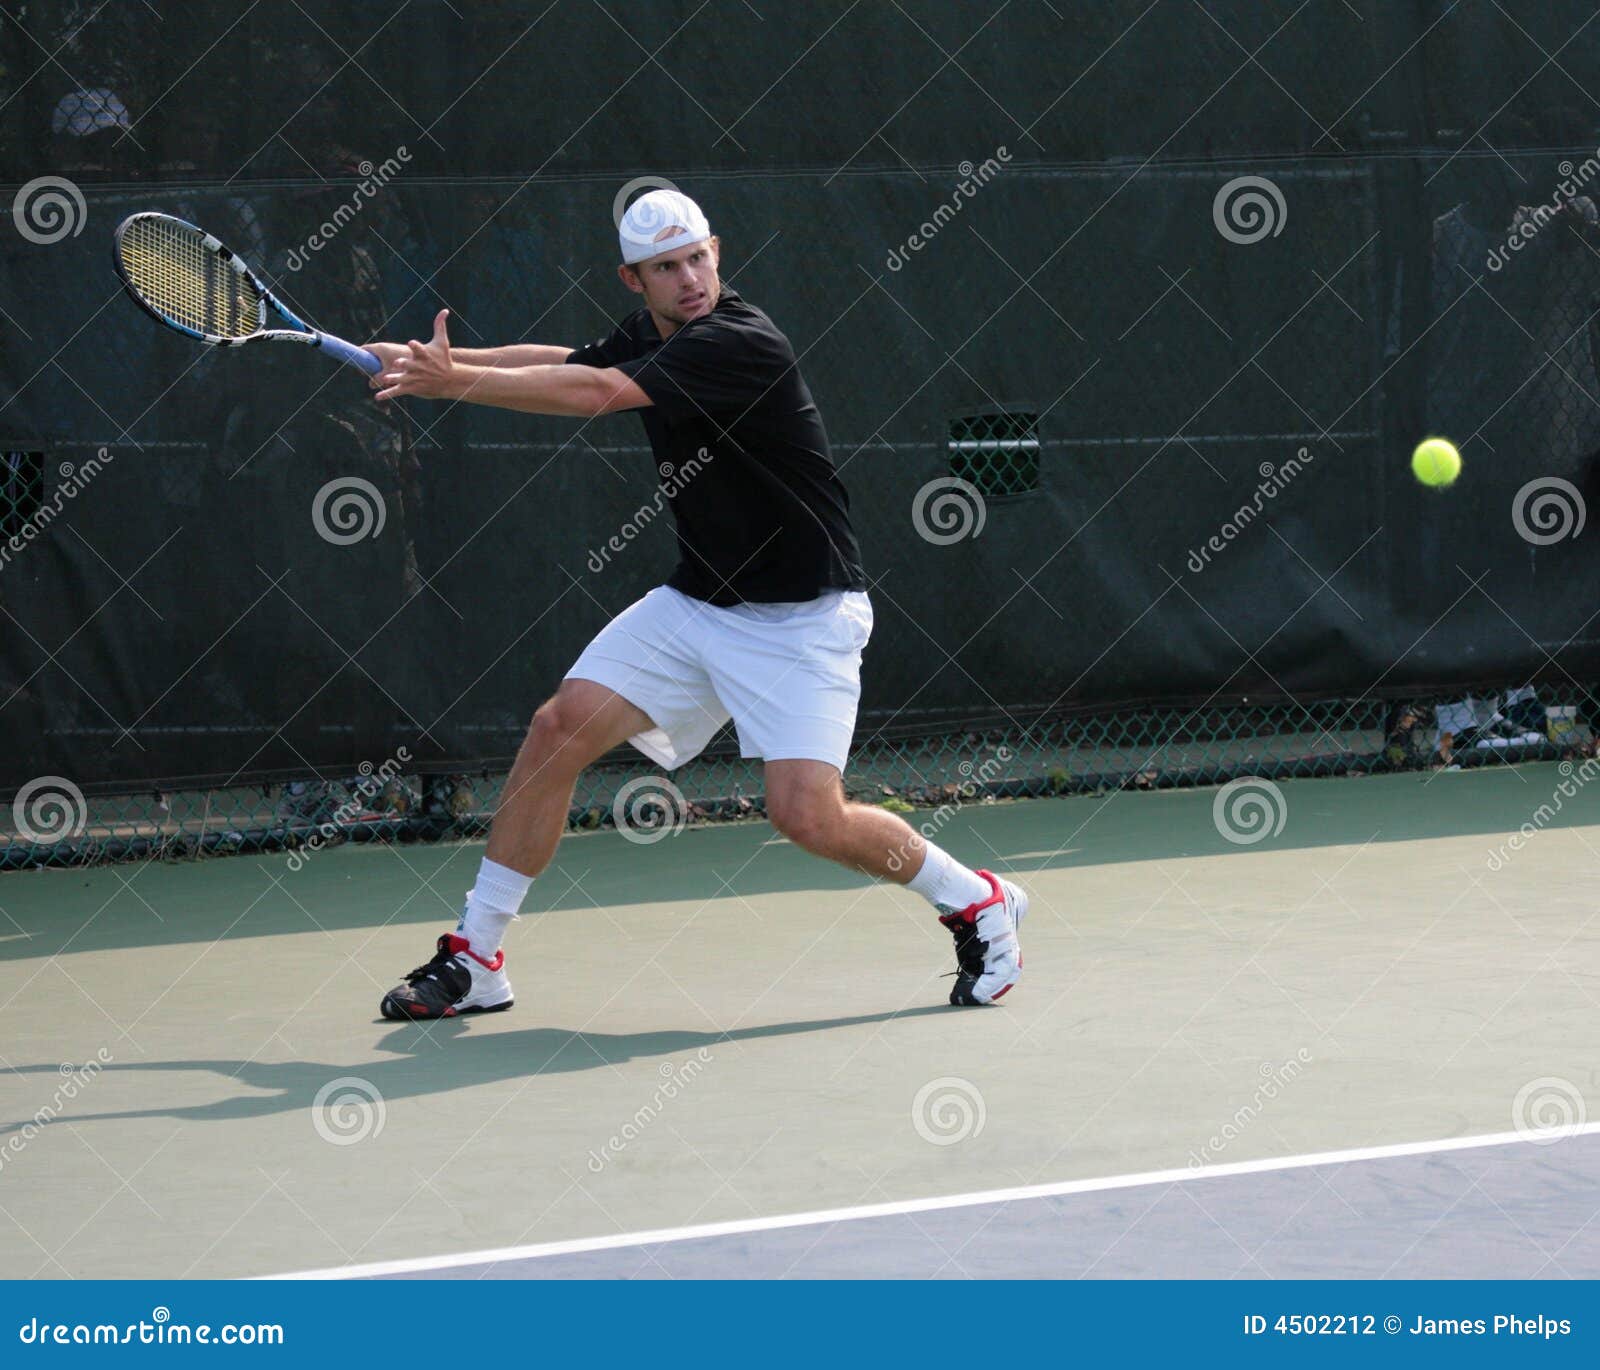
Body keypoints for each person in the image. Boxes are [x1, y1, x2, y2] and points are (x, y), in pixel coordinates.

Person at [366, 189, 1026, 1018]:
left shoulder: (738, 340)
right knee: (557, 729)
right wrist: (425, 362)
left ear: (717, 252)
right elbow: (570, 359)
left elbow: (592, 392)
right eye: (666, 268)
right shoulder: (653, 331)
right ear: (633, 280)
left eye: (697, 259)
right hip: (700, 603)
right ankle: (476, 958)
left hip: (802, 617)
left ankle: (977, 900)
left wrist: (450, 381)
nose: (689, 279)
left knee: (808, 818)